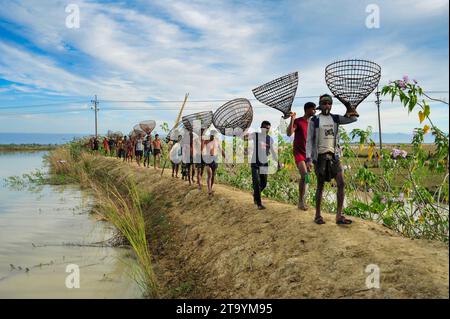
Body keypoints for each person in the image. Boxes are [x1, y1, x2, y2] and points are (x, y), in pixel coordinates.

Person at [306, 94, 357, 225]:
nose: (327, 106)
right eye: (324, 104)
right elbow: (309, 141)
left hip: (334, 156)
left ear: (331, 105)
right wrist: (308, 159)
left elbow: (353, 119)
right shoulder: (315, 120)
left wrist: (348, 106)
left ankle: (339, 216)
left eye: (329, 103)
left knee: (341, 183)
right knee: (320, 186)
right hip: (320, 157)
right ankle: (317, 215)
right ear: (320, 106)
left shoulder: (335, 118)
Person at [287, 102, 317, 210]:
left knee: (307, 177)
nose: (315, 111)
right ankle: (300, 202)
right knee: (304, 175)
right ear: (307, 109)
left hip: (308, 155)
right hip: (299, 153)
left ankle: (303, 199)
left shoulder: (313, 123)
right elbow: (289, 133)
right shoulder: (298, 121)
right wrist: (292, 119)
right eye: (313, 109)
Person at [249, 121, 279, 210]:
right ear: (261, 127)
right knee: (256, 183)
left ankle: (256, 194)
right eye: (265, 128)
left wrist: (278, 162)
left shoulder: (270, 139)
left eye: (268, 128)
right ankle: (259, 203)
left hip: (264, 163)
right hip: (255, 163)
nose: (267, 130)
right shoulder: (256, 135)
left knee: (264, 183)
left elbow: (273, 151)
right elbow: (246, 138)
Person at [202, 130, 225, 197]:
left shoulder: (217, 141)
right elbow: (202, 149)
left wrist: (225, 157)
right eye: (211, 135)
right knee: (210, 175)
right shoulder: (206, 141)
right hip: (208, 159)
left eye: (213, 135)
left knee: (213, 176)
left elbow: (221, 150)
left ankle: (210, 189)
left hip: (215, 159)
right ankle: (209, 191)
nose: (212, 136)